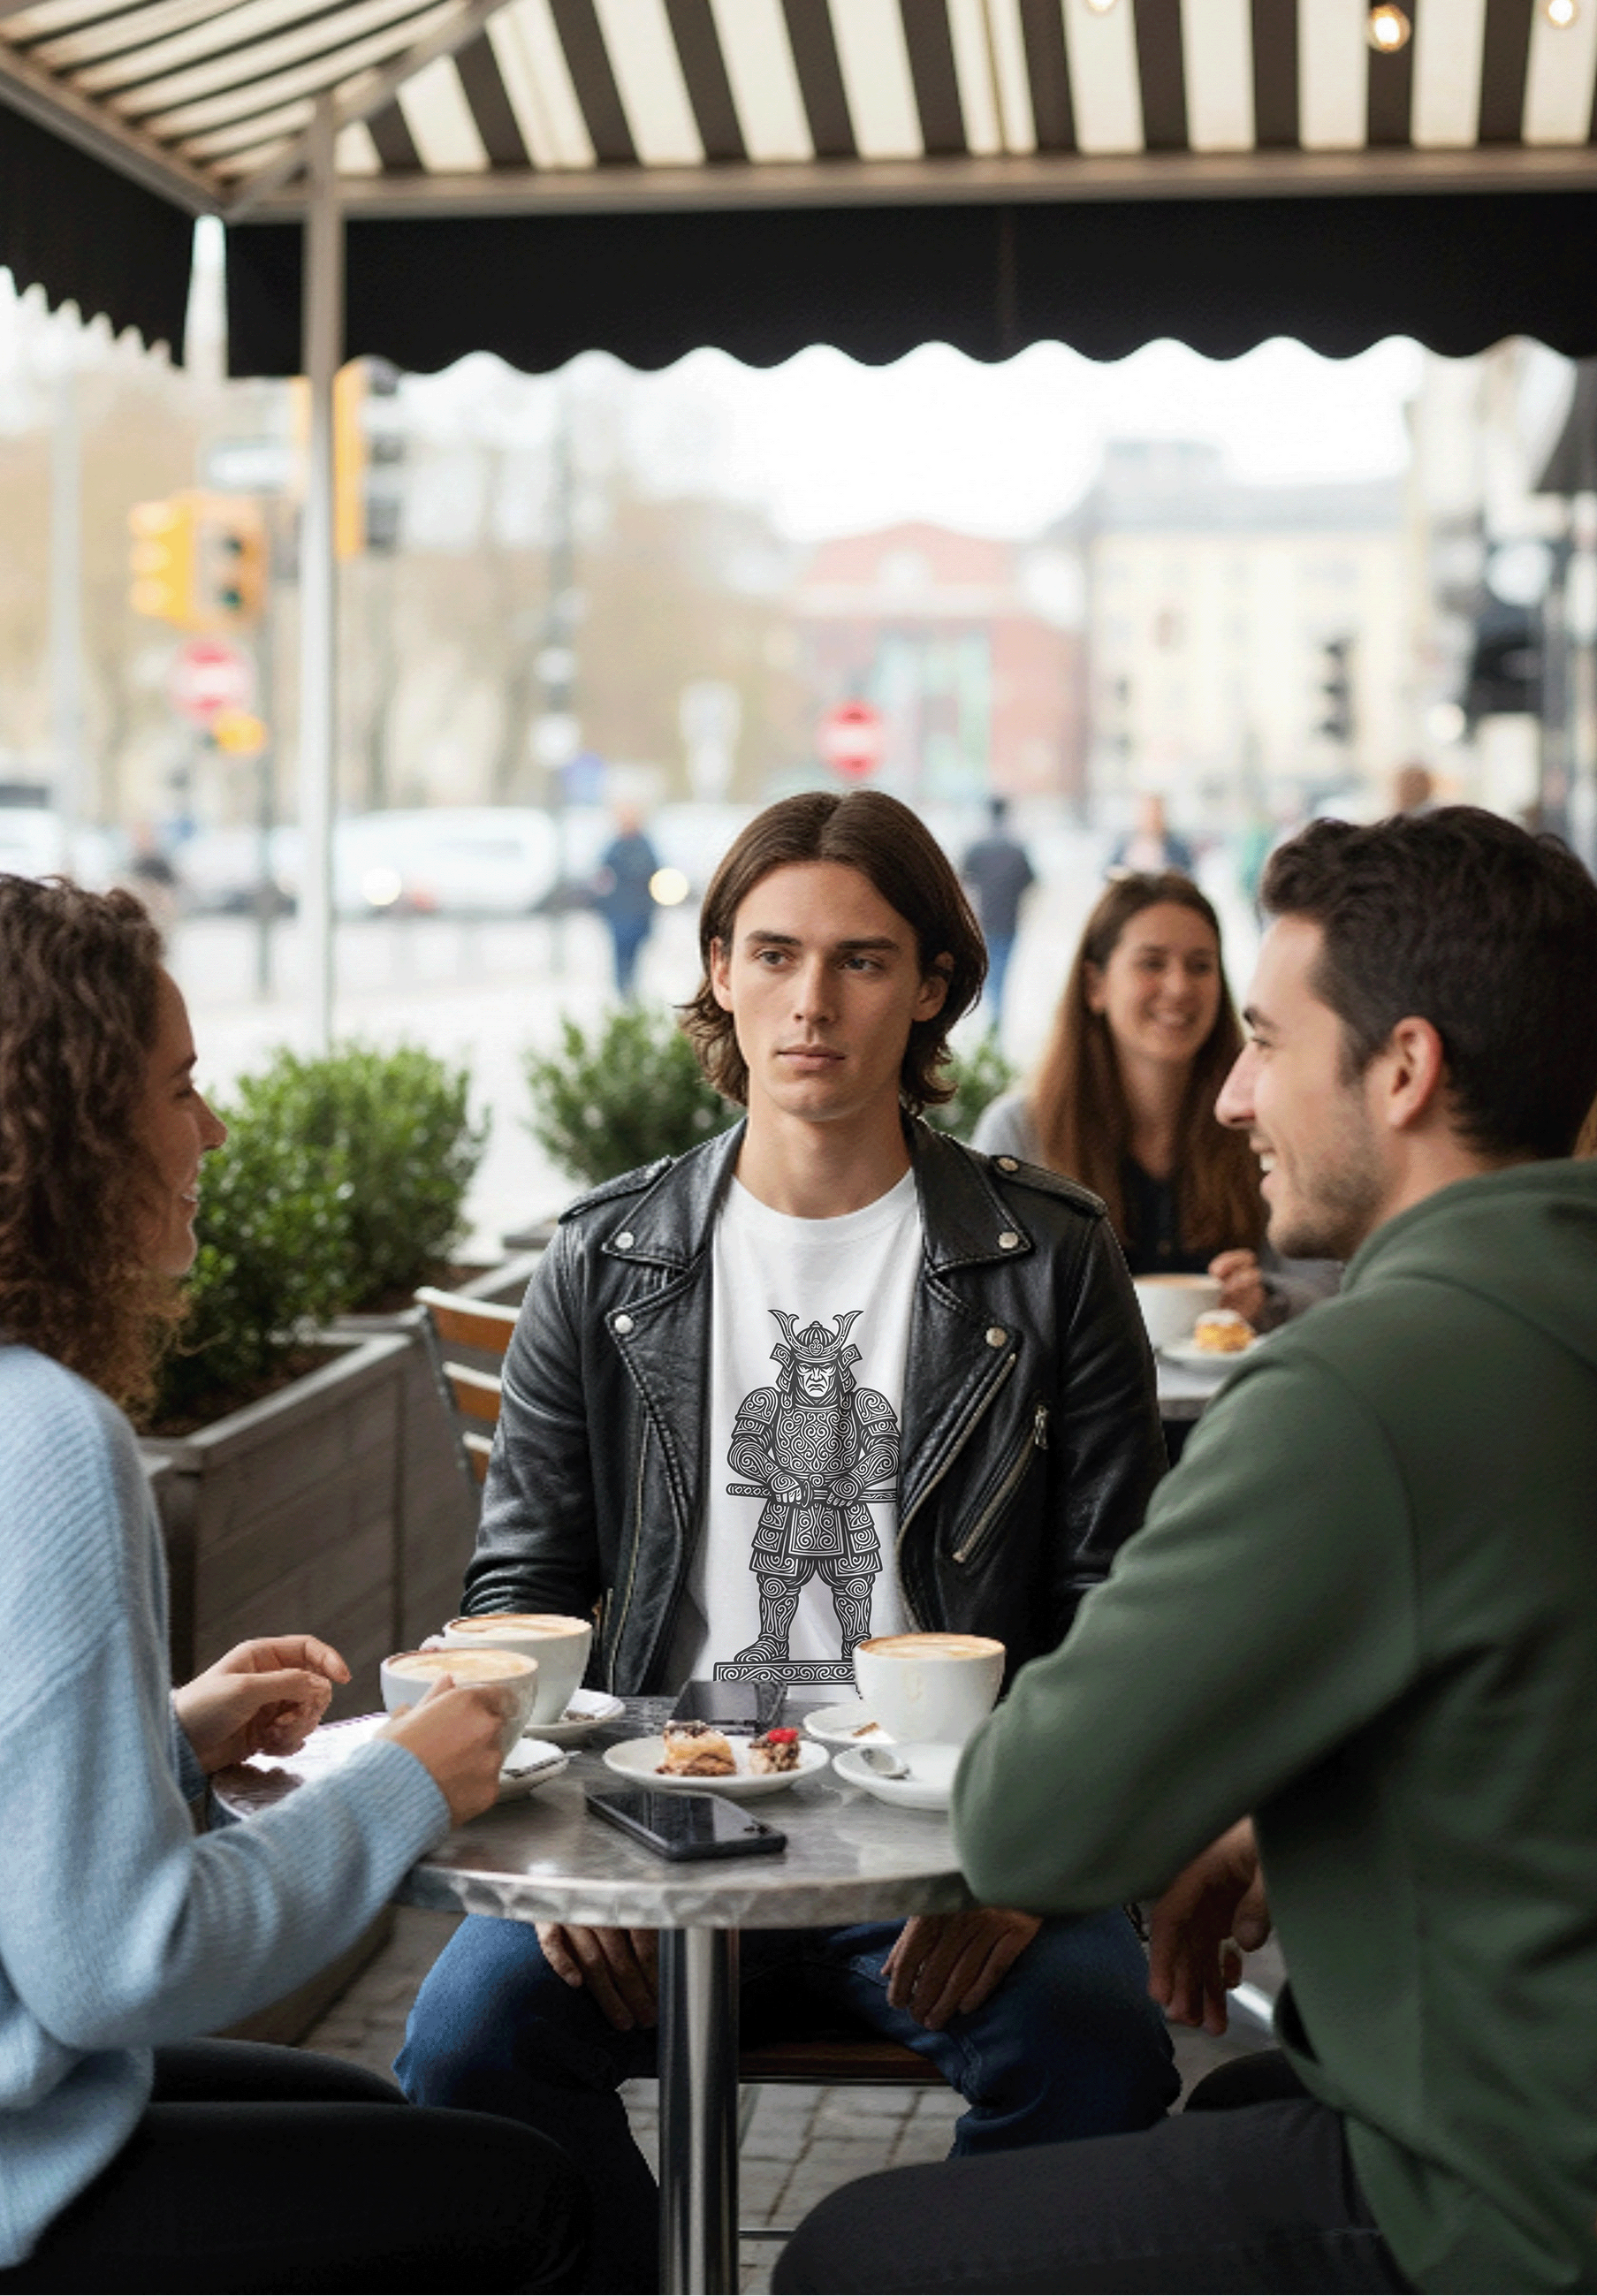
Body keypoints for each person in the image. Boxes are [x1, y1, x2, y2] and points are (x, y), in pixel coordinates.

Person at [777, 806, 1597, 2296]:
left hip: (1514, 2201)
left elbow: (1032, 1820)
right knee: (1232, 2102)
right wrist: (1269, 1823)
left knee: (853, 2254)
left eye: (1269, 1039)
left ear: (1404, 1069)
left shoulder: (1360, 1390)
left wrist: (1198, 1794)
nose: (1233, 1092)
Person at [398, 789, 1180, 2296]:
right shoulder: (607, 1254)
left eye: (863, 960)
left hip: (959, 1827)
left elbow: (1117, 1606)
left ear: (935, 983)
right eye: (772, 954)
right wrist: (565, 1868)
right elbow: (520, 1591)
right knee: (463, 2046)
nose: (811, 1000)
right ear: (718, 970)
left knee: (1099, 2050)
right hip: (656, 1810)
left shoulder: (1049, 1253)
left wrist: (1035, 1850)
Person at [0, 875, 588, 2296]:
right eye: (180, 1085)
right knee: (533, 2204)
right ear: (66, 1130)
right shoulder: (42, 1435)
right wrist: (400, 1784)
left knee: (380, 2124)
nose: (213, 1128)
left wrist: (164, 1735)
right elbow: (120, 1966)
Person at [972, 871, 1335, 1328]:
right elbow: (985, 1297)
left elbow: (1330, 1286)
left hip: (1231, 1396)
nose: (1180, 987)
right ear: (1095, 985)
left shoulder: (1260, 1121)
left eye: (1201, 966)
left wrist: (1268, 1299)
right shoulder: (1018, 1131)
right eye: (1152, 963)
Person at [961, 796, 1036, 1029]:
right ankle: (996, 1022)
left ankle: (992, 1023)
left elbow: (963, 880)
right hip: (1009, 920)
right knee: (1000, 975)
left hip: (983, 921)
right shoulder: (1016, 848)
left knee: (988, 973)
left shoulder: (977, 847)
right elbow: (1031, 882)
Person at [595, 805, 660, 998]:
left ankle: (629, 988)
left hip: (640, 910)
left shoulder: (646, 846)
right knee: (620, 955)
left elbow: (656, 874)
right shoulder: (613, 847)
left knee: (634, 953)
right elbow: (601, 877)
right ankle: (623, 990)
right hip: (618, 911)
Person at [1107, 790, 1194, 877]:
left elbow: (1187, 875)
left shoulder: (1178, 848)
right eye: (1147, 812)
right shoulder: (1123, 845)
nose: (1151, 817)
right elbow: (1109, 872)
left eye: (1156, 812)